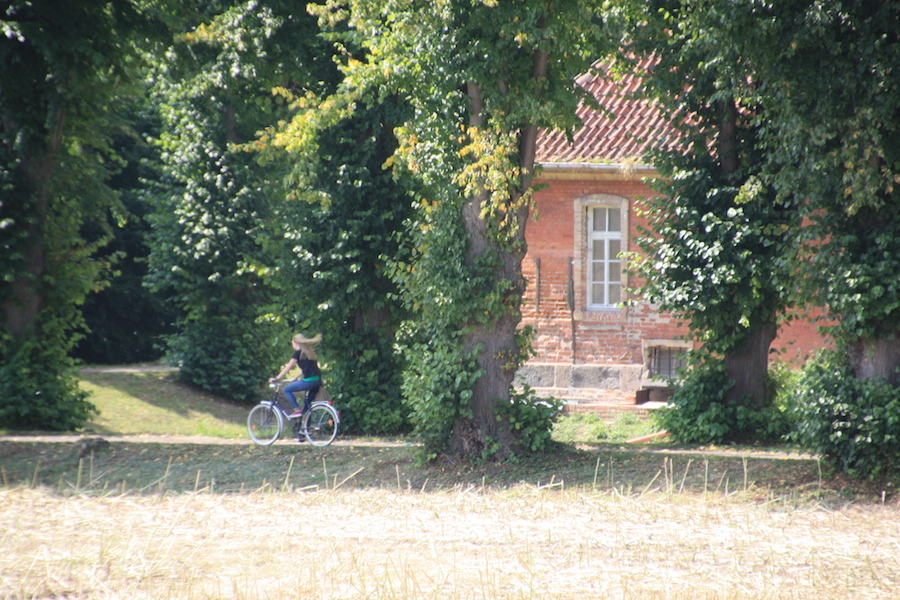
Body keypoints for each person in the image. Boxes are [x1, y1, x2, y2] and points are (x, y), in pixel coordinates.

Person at [270, 333, 322, 419]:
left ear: (296, 343)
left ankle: (296, 409)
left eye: (292, 343)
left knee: (286, 389)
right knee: (307, 406)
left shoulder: (298, 353)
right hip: (317, 381)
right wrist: (295, 377)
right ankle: (306, 429)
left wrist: (276, 378)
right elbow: (306, 368)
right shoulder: (309, 353)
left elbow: (288, 367)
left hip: (309, 381)